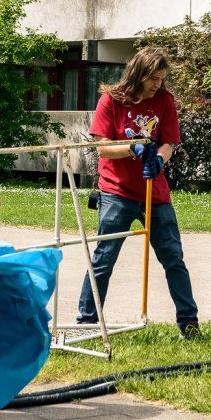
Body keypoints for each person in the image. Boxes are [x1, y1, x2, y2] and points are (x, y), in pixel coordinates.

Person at [77, 47, 200, 339]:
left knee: (173, 258)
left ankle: (189, 323)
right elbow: (102, 147)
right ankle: (85, 324)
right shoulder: (112, 101)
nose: (157, 83)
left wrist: (159, 159)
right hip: (116, 192)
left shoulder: (165, 101)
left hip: (155, 192)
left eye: (161, 78)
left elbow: (168, 143)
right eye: (153, 78)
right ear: (139, 73)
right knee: (103, 259)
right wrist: (132, 147)